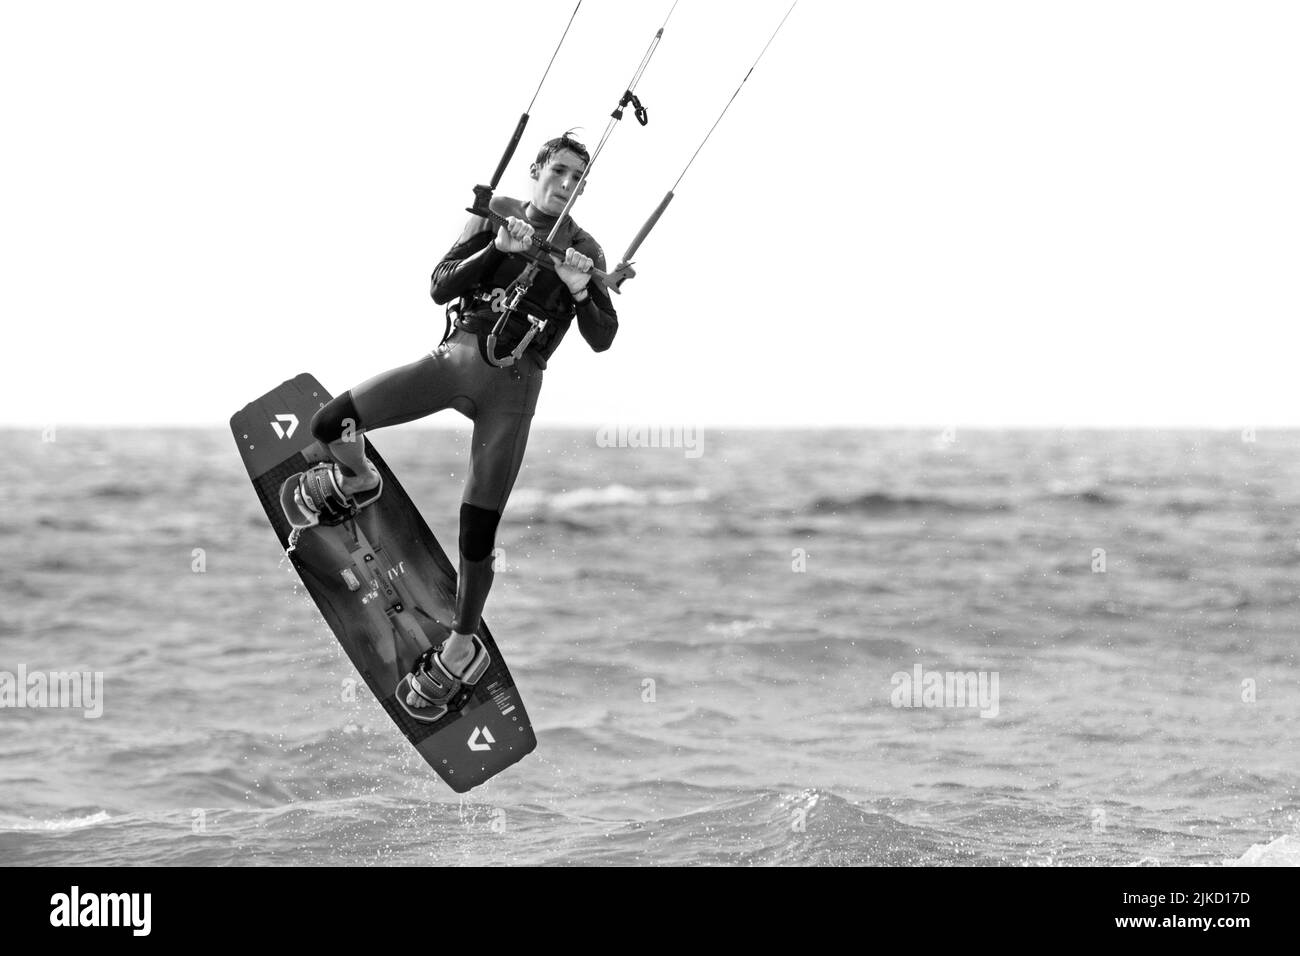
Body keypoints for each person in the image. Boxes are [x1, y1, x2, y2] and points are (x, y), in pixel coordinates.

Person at [301, 133, 618, 720]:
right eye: (559, 171)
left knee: (476, 533)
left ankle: (463, 642)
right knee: (331, 422)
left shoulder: (586, 251)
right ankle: (360, 478)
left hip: (514, 391)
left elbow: (603, 336)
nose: (566, 184)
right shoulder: (492, 215)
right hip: (452, 363)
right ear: (537, 170)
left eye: (578, 178)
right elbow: (440, 285)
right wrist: (497, 247)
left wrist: (581, 288)